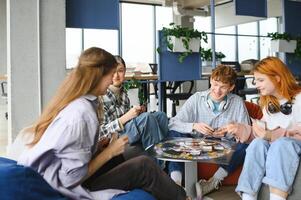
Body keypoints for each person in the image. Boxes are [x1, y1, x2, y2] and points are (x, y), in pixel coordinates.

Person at [17, 47, 188, 200]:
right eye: (111, 74)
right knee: (144, 165)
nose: (114, 79)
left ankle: (169, 184)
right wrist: (109, 153)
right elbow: (71, 179)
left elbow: (73, 154)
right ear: (99, 75)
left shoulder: (82, 103)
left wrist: (98, 148)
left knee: (155, 120)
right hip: (66, 188)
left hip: (65, 179)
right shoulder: (82, 114)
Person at [168, 65, 250, 197]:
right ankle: (175, 183)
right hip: (196, 145)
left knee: (247, 145)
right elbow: (172, 123)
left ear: (231, 87)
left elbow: (246, 134)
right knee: (174, 133)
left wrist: (231, 131)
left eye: (223, 87)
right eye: (215, 84)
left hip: (224, 148)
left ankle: (213, 181)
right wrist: (194, 125)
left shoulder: (238, 103)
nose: (217, 90)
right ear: (211, 80)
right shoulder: (196, 98)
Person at [233, 57, 301, 200]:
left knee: (280, 145)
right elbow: (262, 133)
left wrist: (272, 136)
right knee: (257, 144)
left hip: (289, 146)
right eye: (255, 80)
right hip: (277, 143)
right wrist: (240, 129)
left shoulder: (299, 99)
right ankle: (247, 196)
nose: (256, 85)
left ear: (277, 78)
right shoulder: (269, 103)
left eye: (261, 80)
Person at [99, 55, 168, 151]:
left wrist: (137, 113)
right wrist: (126, 117)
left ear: (125, 72)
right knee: (146, 118)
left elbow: (129, 120)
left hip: (125, 130)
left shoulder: (123, 93)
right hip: (113, 137)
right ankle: (159, 161)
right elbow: (101, 133)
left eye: (120, 70)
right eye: (112, 71)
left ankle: (165, 156)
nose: (116, 75)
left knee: (161, 116)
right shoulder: (101, 97)